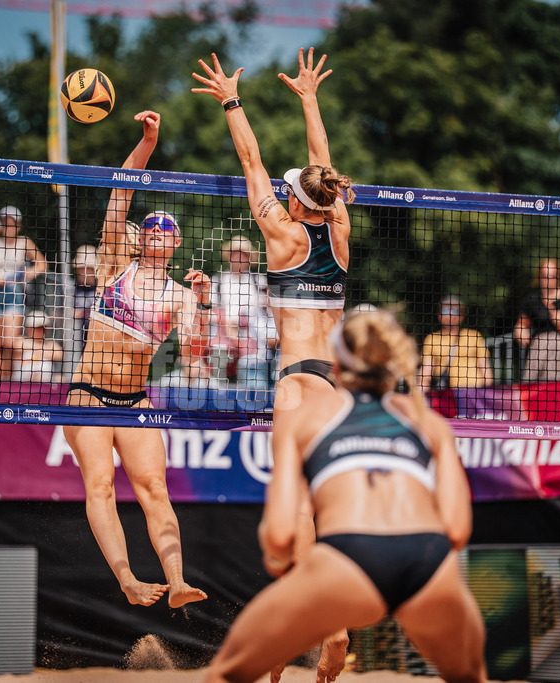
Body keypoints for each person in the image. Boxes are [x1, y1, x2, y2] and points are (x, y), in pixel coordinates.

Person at [206, 309, 486, 683]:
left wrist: (293, 606)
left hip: (349, 558)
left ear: (336, 362)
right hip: (427, 561)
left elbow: (278, 536)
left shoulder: (308, 416)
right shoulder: (428, 422)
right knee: (470, 674)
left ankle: (331, 631)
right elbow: (456, 529)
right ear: (396, 362)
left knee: (225, 674)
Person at [193, 48, 354, 678]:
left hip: (294, 385)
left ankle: (320, 620)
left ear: (292, 200)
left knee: (295, 517)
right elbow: (325, 169)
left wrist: (232, 98)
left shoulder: (281, 236)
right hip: (337, 387)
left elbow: (251, 160)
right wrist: (310, 100)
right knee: (326, 505)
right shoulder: (338, 228)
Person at [61, 111, 209, 609]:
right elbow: (121, 191)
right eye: (150, 226)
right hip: (87, 396)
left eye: (167, 228)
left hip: (134, 400)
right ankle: (126, 579)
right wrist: (148, 142)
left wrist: (204, 305)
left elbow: (192, 352)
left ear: (177, 242)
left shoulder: (180, 295)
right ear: (139, 237)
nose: (157, 230)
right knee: (100, 486)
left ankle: (178, 582)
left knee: (154, 490)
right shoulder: (112, 265)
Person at [0, 206, 47, 379]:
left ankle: (7, 383)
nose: (9, 226)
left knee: (9, 343)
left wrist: (28, 273)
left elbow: (42, 263)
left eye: (12, 223)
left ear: (18, 225)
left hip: (14, 292)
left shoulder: (24, 242)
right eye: (5, 223)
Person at [211, 236, 276, 390]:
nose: (238, 257)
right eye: (235, 253)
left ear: (249, 258)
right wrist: (232, 331)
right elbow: (211, 314)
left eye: (243, 253)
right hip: (224, 350)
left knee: (256, 394)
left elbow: (270, 312)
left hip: (255, 352)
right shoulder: (218, 281)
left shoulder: (260, 281)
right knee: (220, 393)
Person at [514, 258, 560, 382]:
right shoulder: (532, 300)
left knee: (558, 387)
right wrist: (521, 332)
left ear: (558, 277)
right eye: (544, 276)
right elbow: (521, 324)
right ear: (539, 277)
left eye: (552, 276)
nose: (548, 280)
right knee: (531, 385)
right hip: (538, 348)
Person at [418, 295, 492, 392]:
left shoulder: (474, 336)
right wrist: (421, 391)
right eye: (445, 311)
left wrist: (489, 392)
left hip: (474, 392)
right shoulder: (431, 339)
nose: (450, 315)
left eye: (454, 311)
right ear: (439, 315)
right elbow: (425, 372)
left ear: (462, 316)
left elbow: (485, 368)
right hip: (446, 394)